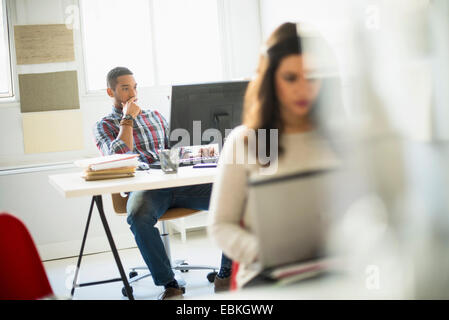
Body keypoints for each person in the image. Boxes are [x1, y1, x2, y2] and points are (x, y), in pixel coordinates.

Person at [208, 22, 342, 289]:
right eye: (291, 78)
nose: (303, 89)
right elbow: (221, 226)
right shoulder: (249, 141)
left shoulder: (340, 137)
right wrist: (265, 254)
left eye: (312, 77)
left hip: (337, 270)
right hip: (269, 277)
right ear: (271, 80)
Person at [93, 67, 232, 299]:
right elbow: (117, 156)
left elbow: (179, 150)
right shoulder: (104, 125)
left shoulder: (156, 115)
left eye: (135, 87)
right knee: (138, 215)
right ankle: (170, 283)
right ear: (111, 92)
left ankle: (226, 274)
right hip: (146, 190)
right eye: (125, 88)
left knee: (236, 196)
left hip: (179, 182)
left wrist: (191, 131)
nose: (133, 93)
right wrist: (128, 118)